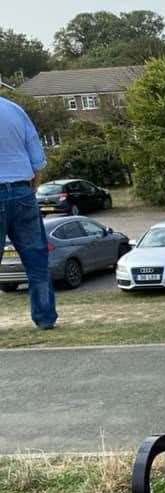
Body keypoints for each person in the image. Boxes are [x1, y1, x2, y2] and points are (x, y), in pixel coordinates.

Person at [0, 94, 57, 329]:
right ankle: (45, 319)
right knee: (36, 262)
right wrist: (30, 190)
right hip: (23, 192)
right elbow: (38, 161)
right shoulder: (15, 110)